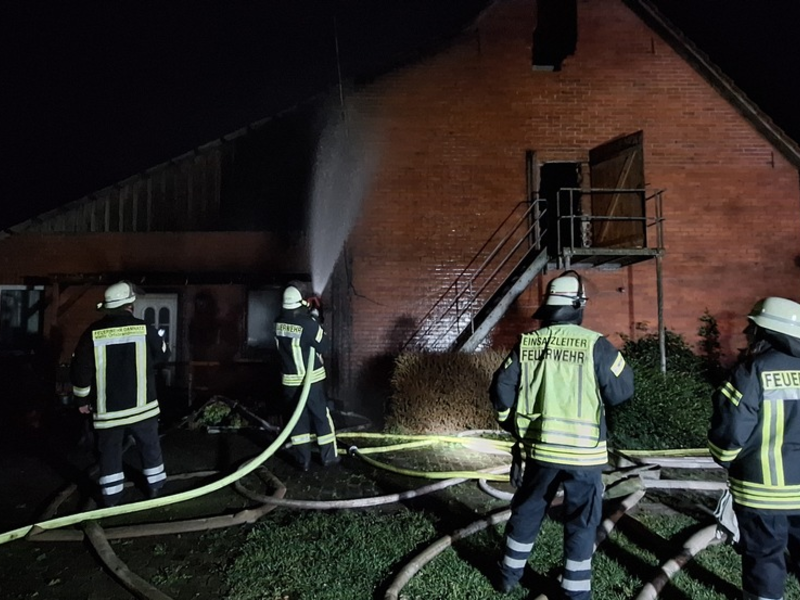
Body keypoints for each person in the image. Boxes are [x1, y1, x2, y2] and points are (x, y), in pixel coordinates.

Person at [489, 271, 634, 598]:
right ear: (578, 306)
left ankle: (508, 575)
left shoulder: (528, 343)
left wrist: (510, 425)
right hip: (585, 455)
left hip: (541, 451)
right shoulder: (596, 345)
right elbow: (623, 390)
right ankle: (575, 592)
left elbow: (501, 389)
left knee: (527, 510)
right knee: (582, 523)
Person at [708, 297, 800, 600]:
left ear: (767, 333)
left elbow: (731, 432)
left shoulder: (752, 371)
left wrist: (725, 458)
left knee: (764, 563)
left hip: (762, 491)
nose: (747, 334)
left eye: (753, 328)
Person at [71, 281, 170, 506]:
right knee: (150, 447)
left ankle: (112, 497)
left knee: (109, 453)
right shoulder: (144, 328)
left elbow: (81, 371)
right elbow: (164, 354)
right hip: (143, 408)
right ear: (129, 305)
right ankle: (155, 489)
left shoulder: (92, 334)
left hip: (108, 412)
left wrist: (82, 400)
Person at [274, 284, 339, 471]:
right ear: (299, 302)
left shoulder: (277, 321)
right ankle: (329, 458)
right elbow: (324, 346)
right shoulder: (307, 324)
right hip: (310, 380)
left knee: (297, 421)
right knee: (320, 417)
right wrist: (316, 320)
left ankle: (303, 461)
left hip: (289, 381)